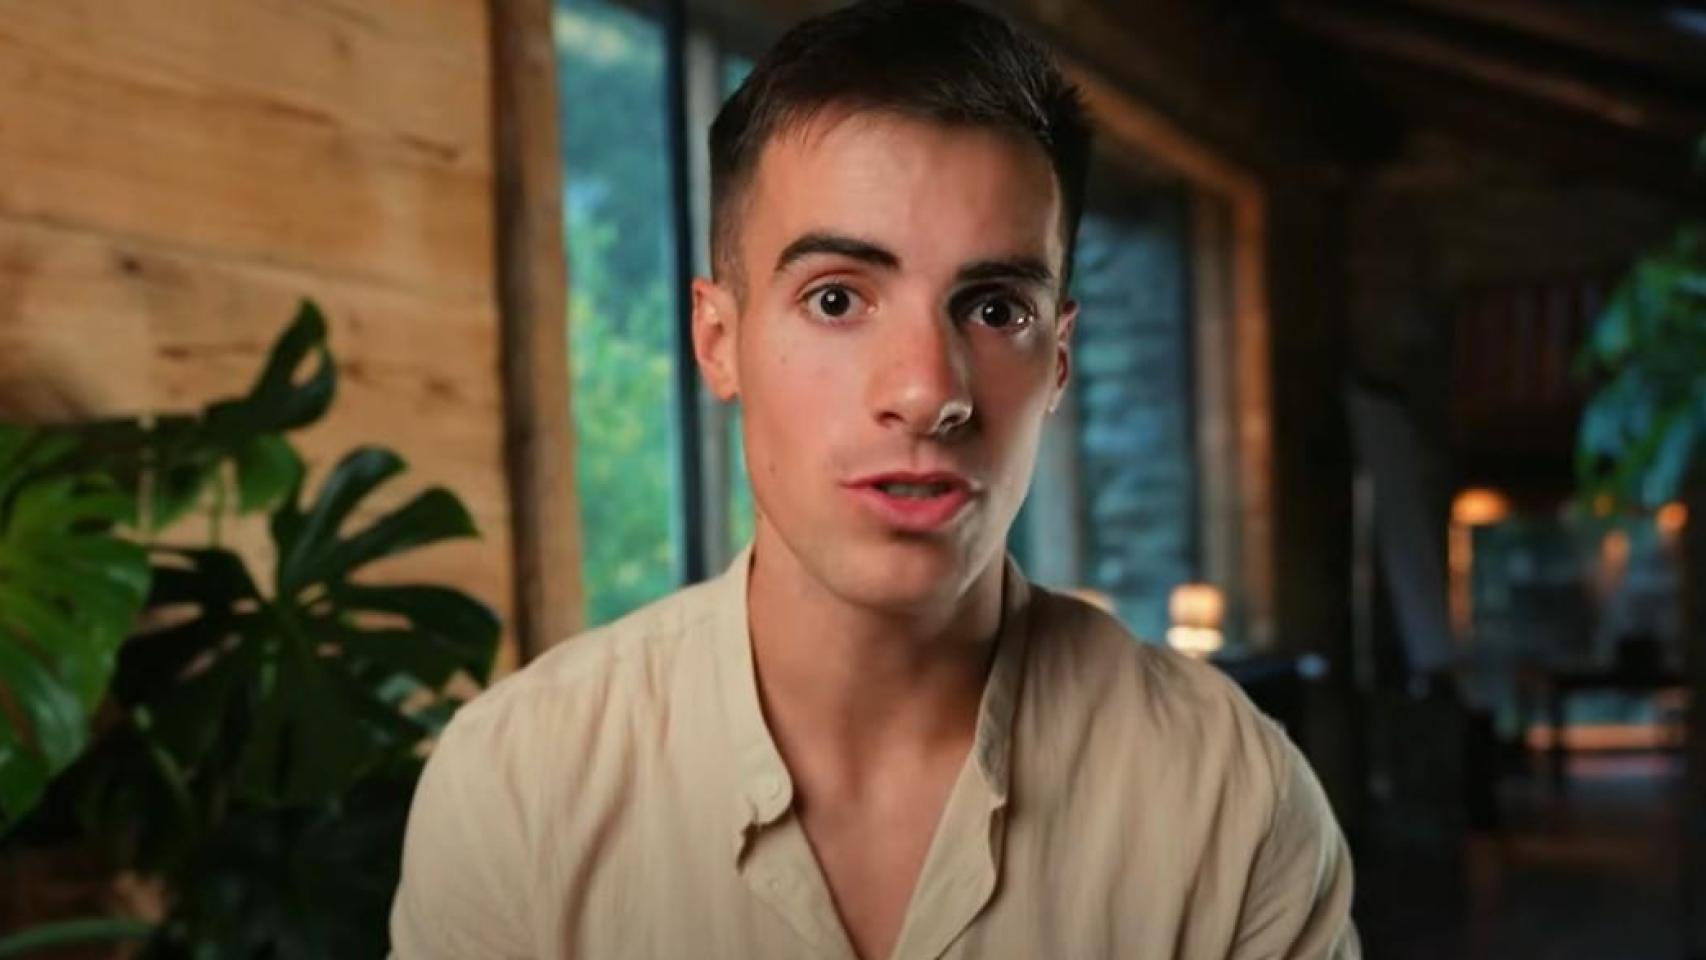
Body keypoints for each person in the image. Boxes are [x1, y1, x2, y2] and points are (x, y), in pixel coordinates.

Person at [389, 1, 1358, 957]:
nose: (927, 392)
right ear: (717, 340)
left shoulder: (1231, 803)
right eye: (836, 299)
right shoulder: (519, 789)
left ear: (1059, 362)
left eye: (994, 310)